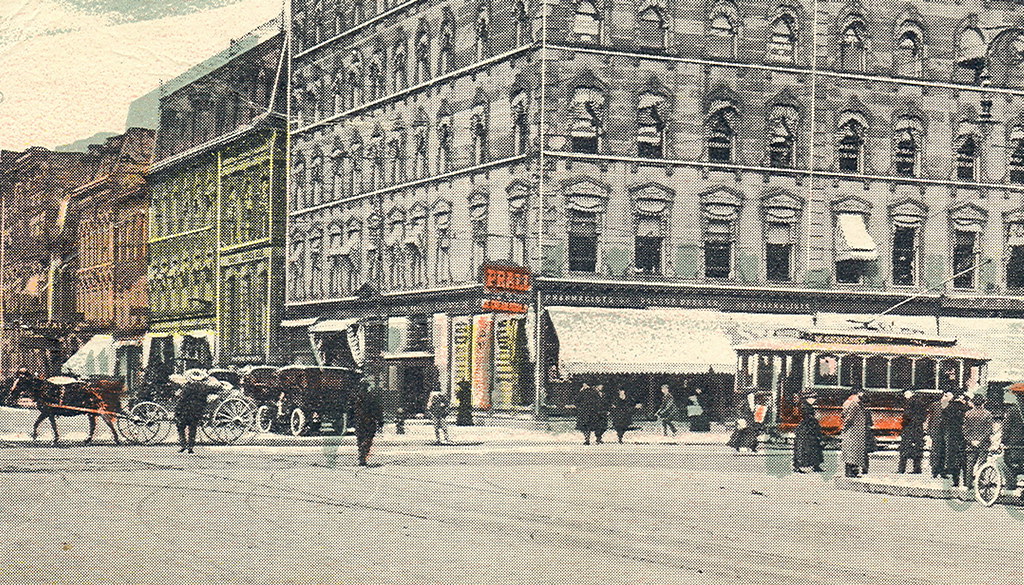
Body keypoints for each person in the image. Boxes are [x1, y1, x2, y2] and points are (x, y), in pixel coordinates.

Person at [176, 368, 213, 454]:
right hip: (197, 410)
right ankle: (190, 446)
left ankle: (183, 444)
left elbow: (182, 399)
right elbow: (204, 400)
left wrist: (178, 409)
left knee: (181, 427)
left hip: (186, 410)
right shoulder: (203, 387)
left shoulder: (187, 387)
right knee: (193, 428)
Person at [961, 394, 993, 490]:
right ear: (984, 402)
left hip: (971, 443)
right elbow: (989, 430)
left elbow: (964, 430)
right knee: (982, 463)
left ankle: (968, 484)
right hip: (983, 443)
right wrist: (980, 440)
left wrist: (971, 440)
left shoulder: (968, 414)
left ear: (973, 403)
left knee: (970, 463)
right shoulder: (988, 414)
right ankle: (980, 482)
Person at [938, 393, 970, 486]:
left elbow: (943, 423)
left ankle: (955, 481)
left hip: (952, 436)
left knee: (954, 458)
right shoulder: (965, 408)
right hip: (963, 436)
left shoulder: (949, 408)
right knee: (964, 459)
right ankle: (966, 481)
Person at [352, 377, 384, 466]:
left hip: (359, 421)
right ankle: (364, 452)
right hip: (369, 421)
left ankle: (362, 455)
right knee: (368, 438)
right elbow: (377, 409)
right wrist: (380, 420)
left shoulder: (355, 397)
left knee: (360, 438)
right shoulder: (371, 397)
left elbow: (351, 410)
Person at [841, 388, 871, 477]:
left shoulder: (856, 404)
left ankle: (853, 471)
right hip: (853, 432)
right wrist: (845, 427)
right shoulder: (854, 404)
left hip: (856, 432)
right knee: (852, 452)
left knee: (854, 453)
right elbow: (849, 418)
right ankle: (850, 472)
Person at [1001, 383, 1024, 499]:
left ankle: (1010, 485)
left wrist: (1003, 441)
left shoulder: (1013, 410)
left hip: (1014, 444)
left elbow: (1006, 428)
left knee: (1007, 462)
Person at [792, 392, 823, 473]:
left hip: (809, 430)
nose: (815, 399)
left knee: (814, 448)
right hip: (805, 430)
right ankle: (798, 466)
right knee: (803, 448)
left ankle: (815, 465)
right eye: (813, 398)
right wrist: (814, 419)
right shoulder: (804, 406)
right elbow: (806, 418)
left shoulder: (807, 406)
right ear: (808, 398)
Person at [898, 390, 927, 474]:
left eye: (906, 394)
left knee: (904, 448)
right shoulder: (921, 402)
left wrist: (904, 424)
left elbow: (906, 416)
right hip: (918, 429)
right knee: (917, 449)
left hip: (909, 429)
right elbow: (923, 415)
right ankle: (917, 468)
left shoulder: (909, 403)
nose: (905, 396)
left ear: (910, 393)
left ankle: (902, 469)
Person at [926, 391, 952, 478]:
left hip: (945, 432)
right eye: (947, 396)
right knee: (935, 452)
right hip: (936, 432)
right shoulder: (935, 405)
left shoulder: (949, 406)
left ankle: (942, 471)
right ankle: (934, 471)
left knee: (944, 452)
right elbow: (930, 418)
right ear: (944, 396)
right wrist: (929, 431)